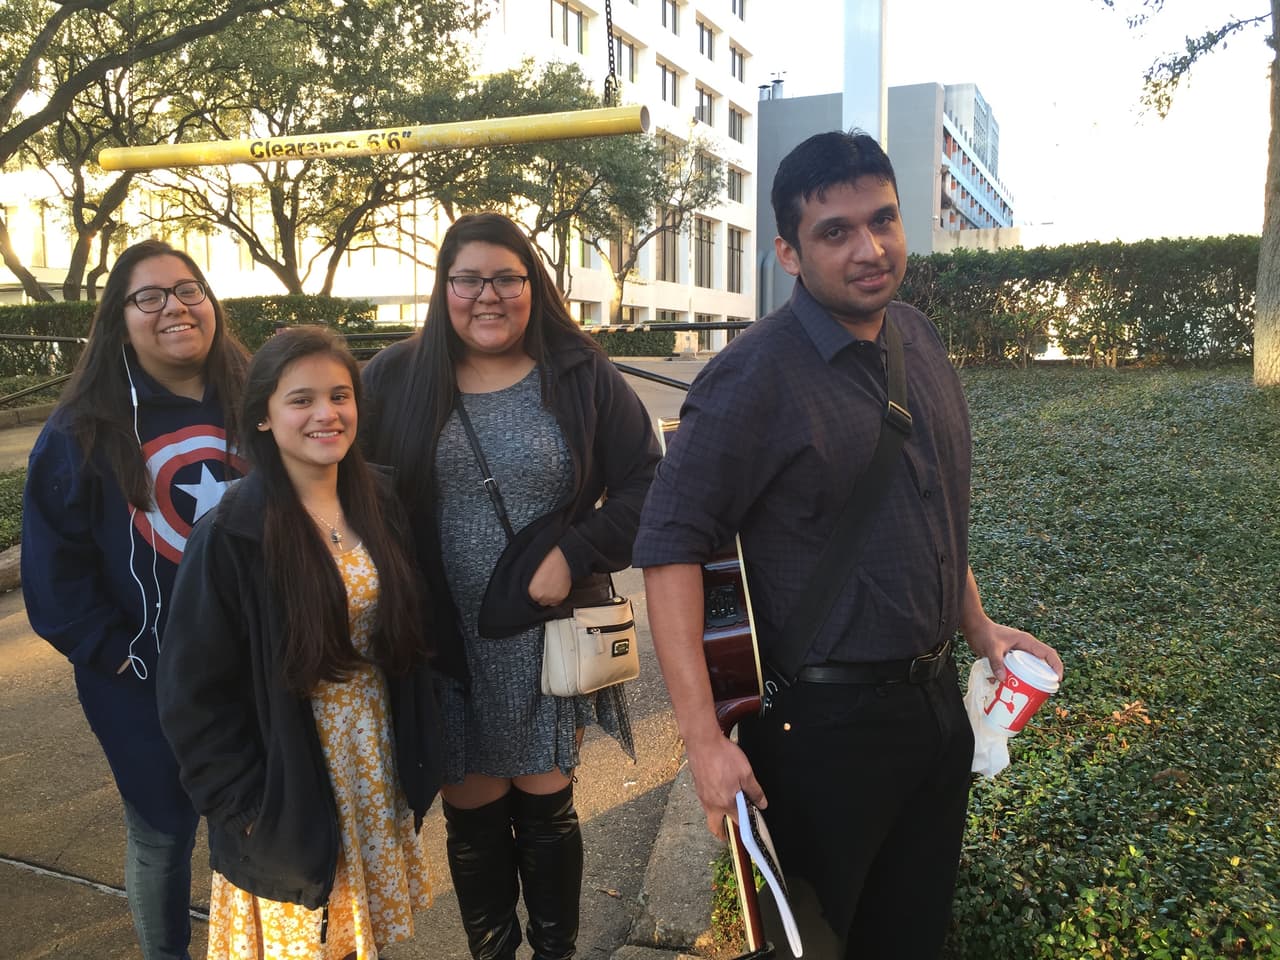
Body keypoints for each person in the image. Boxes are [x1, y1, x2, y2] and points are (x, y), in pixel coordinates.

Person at [633, 131, 1065, 959]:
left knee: (911, 935)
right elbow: (669, 549)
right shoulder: (753, 375)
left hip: (935, 709)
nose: (869, 248)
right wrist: (703, 741)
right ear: (789, 254)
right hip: (820, 731)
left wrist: (978, 628)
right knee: (816, 944)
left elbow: (928, 510)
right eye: (835, 231)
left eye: (883, 220)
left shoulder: (919, 341)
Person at [360, 212, 660, 960]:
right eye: (468, 280)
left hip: (545, 637)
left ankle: (556, 952)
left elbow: (649, 482)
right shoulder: (396, 377)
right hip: (442, 641)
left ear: (534, 286)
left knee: (548, 809)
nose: (486, 296)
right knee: (473, 820)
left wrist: (576, 551)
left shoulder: (579, 371)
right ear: (444, 288)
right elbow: (333, 472)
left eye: (506, 278)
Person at [156, 325, 443, 960]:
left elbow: (410, 637)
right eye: (301, 399)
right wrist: (245, 809)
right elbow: (192, 695)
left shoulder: (380, 501)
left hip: (373, 765)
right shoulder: (231, 533)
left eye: (339, 396)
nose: (326, 414)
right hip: (287, 787)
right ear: (263, 415)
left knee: (359, 943)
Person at [21, 239, 249, 960]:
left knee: (252, 828)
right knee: (161, 832)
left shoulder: (259, 398)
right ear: (119, 321)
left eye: (188, 289)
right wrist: (116, 656)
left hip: (257, 670)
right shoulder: (81, 429)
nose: (174, 307)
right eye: (148, 296)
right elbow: (55, 570)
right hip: (140, 681)